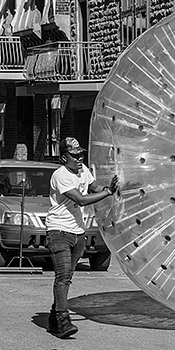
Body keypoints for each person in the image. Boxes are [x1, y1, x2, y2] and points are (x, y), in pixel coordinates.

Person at [46, 137, 118, 339]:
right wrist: (107, 192)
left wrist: (110, 186)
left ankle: (54, 316)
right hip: (59, 231)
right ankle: (62, 320)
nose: (79, 158)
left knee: (67, 277)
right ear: (63, 157)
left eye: (81, 154)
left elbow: (93, 188)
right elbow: (81, 199)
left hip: (78, 232)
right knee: (63, 276)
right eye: (74, 155)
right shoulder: (61, 175)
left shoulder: (83, 170)